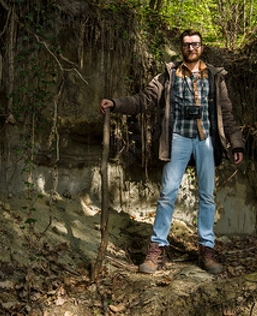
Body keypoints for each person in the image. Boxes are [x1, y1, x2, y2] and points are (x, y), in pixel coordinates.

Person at [100, 29, 244, 275]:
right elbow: (144, 99)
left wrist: (236, 143)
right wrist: (116, 103)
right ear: (181, 48)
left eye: (196, 44)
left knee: (207, 196)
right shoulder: (168, 76)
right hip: (177, 139)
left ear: (202, 47)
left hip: (206, 140)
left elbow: (226, 113)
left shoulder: (215, 77)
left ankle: (206, 251)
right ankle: (156, 249)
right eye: (187, 44)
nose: (191, 48)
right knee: (167, 194)